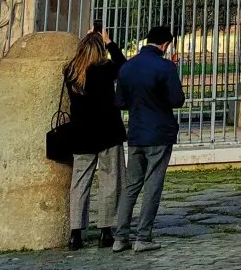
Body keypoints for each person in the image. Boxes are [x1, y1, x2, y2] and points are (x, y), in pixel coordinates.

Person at [113, 25, 184, 252]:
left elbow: (120, 102)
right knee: (153, 185)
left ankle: (120, 237)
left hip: (136, 133)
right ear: (165, 45)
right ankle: (143, 237)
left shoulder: (127, 67)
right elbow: (177, 100)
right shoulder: (166, 67)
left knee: (131, 186)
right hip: (160, 132)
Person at [62, 26, 127, 250]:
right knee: (111, 181)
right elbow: (124, 67)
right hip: (108, 132)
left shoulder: (70, 70)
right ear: (100, 48)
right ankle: (105, 231)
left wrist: (89, 37)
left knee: (79, 183)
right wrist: (109, 42)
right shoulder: (105, 67)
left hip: (81, 133)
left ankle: (75, 233)